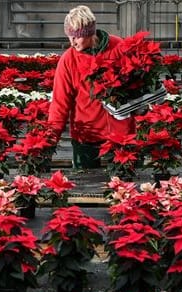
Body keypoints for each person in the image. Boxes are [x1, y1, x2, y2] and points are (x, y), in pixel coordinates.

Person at [47, 5, 135, 169]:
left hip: (120, 133)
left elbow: (137, 83)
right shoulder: (68, 60)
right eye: (69, 36)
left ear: (89, 33)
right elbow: (60, 103)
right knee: (83, 183)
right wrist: (49, 141)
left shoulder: (118, 47)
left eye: (76, 37)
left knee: (124, 187)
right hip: (86, 136)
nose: (72, 42)